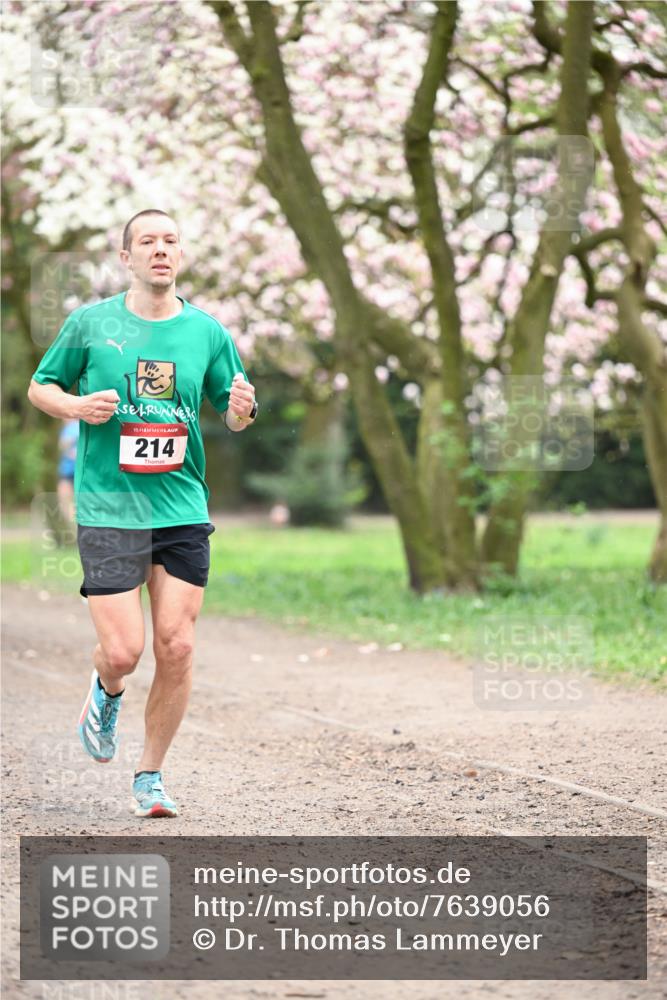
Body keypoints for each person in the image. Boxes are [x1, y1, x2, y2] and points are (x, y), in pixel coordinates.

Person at [27, 209, 257, 818]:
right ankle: (106, 690)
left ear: (180, 255)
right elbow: (40, 387)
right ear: (126, 257)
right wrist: (77, 404)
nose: (161, 250)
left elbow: (234, 414)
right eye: (148, 242)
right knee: (125, 651)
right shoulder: (90, 324)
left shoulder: (207, 333)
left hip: (181, 505)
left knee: (177, 645)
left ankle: (150, 776)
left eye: (170, 241)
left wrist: (241, 408)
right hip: (110, 507)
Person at [57, 418, 79, 524]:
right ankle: (72, 524)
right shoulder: (67, 428)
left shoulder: (74, 427)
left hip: (75, 471)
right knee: (65, 500)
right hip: (67, 470)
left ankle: (73, 524)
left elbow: (63, 445)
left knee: (68, 501)